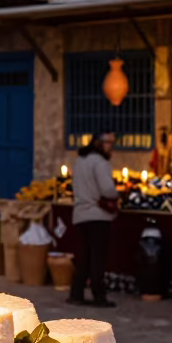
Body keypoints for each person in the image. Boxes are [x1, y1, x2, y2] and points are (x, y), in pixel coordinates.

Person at [68, 132, 118, 308]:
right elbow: (108, 190)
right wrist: (117, 193)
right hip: (97, 215)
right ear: (99, 143)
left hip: (80, 214)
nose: (111, 146)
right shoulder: (100, 163)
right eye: (108, 143)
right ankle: (99, 295)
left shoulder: (80, 161)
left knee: (83, 256)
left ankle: (76, 292)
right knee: (97, 257)